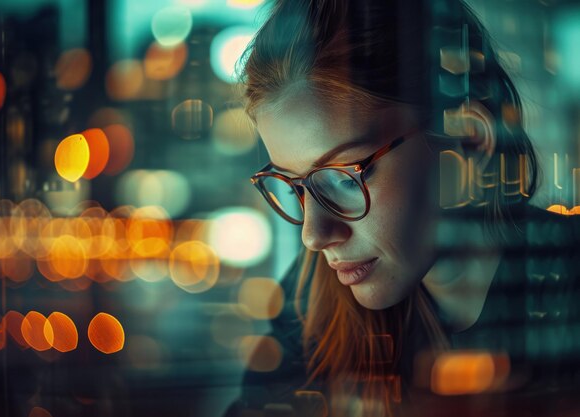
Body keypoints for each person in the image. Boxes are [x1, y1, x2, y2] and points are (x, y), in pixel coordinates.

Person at [225, 0, 580, 416]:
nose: (313, 235)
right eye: (295, 187)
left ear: (467, 142)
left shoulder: (564, 289)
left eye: (344, 178)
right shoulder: (309, 302)